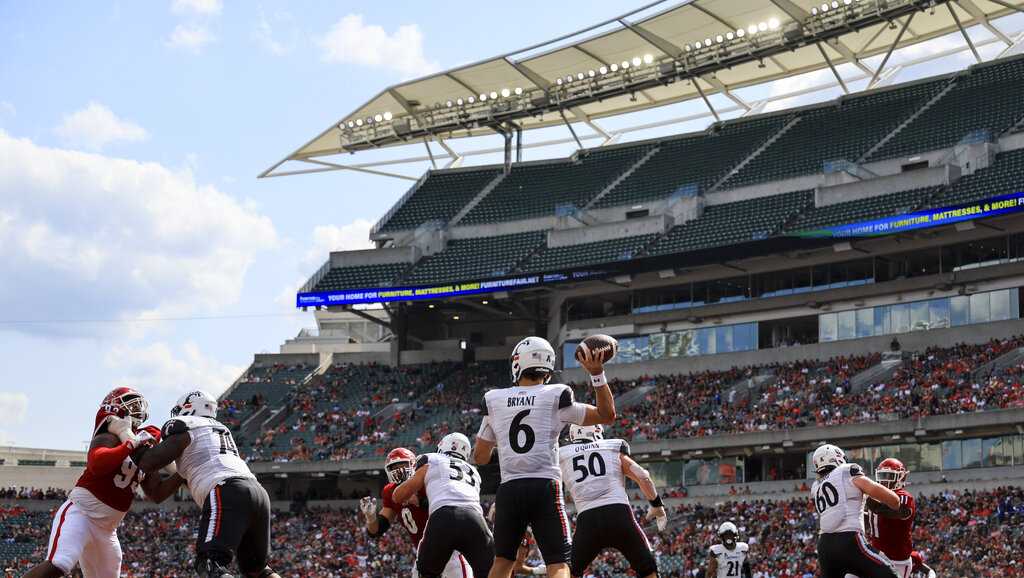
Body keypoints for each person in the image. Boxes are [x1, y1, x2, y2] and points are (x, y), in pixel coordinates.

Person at [473, 336, 616, 578]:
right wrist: (597, 373)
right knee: (558, 563)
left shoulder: (494, 400)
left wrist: (502, 438)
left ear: (518, 363)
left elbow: (480, 457)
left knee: (503, 561)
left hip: (509, 490)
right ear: (548, 368)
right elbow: (606, 415)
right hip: (544, 486)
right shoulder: (555, 395)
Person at [137, 390, 280, 578]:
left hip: (227, 489)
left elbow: (149, 462)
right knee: (259, 571)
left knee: (209, 565)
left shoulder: (187, 425)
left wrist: (136, 443)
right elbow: (158, 494)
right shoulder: (219, 431)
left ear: (188, 408)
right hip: (257, 492)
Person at [23, 388, 161, 578]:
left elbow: (157, 494)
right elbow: (97, 464)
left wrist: (182, 474)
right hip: (82, 513)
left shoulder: (144, 442)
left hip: (107, 530)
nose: (138, 407)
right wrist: (130, 444)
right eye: (131, 402)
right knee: (59, 563)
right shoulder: (109, 436)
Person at [557, 424, 664, 578]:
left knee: (569, 571)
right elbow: (642, 475)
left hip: (587, 521)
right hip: (619, 515)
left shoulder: (563, 455)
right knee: (648, 569)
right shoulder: (612, 448)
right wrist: (656, 505)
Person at [393, 433, 493, 578]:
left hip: (444, 516)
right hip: (475, 520)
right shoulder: (474, 472)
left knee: (426, 572)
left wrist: (404, 494)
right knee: (491, 571)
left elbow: (399, 495)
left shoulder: (431, 459)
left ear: (442, 445)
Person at [360, 447, 471, 577]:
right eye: (393, 467)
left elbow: (451, 508)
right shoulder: (390, 492)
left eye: (402, 465)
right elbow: (377, 530)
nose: (399, 471)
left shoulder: (427, 480)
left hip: (451, 549)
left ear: (414, 464)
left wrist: (421, 501)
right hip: (424, 554)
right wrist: (371, 517)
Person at [811, 444, 900, 578]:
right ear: (838, 458)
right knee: (890, 574)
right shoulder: (847, 471)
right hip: (849, 541)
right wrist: (896, 501)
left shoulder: (815, 486)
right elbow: (881, 494)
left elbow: (836, 511)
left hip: (824, 547)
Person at [864, 458, 917, 578]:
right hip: (876, 556)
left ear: (901, 477)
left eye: (889, 475)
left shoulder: (904, 497)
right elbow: (874, 518)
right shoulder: (876, 497)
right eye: (882, 475)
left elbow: (887, 511)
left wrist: (866, 494)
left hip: (896, 561)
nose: (884, 480)